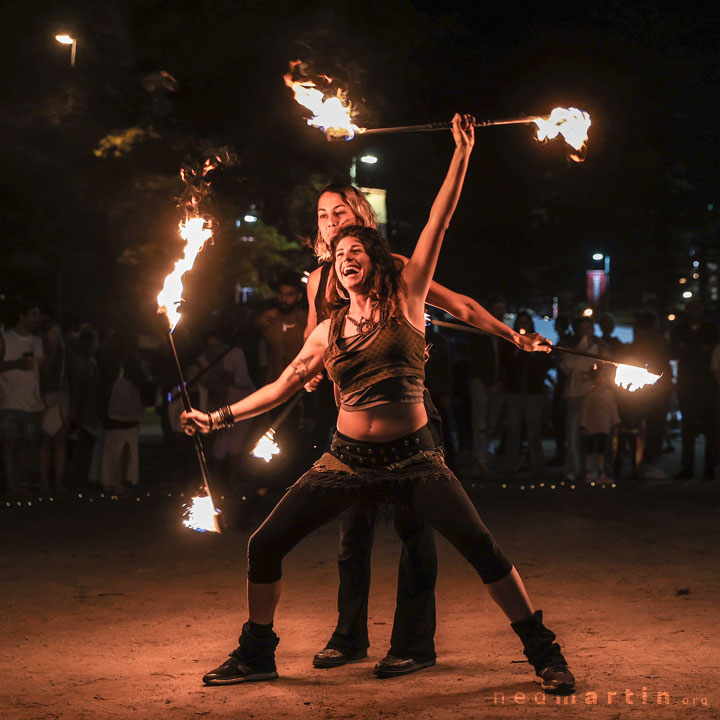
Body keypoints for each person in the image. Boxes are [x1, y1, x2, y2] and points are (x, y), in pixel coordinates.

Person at [182, 115, 574, 695]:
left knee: (482, 549)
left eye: (357, 247)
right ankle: (258, 652)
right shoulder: (328, 327)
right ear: (334, 269)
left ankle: (544, 653)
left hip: (414, 458)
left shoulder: (408, 297)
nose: (346, 254)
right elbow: (284, 383)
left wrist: (461, 154)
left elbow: (441, 224)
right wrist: (215, 418)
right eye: (338, 251)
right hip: (345, 461)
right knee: (264, 544)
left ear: (376, 256)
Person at [304, 179, 546, 678]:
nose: (332, 221)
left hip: (408, 417)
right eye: (324, 215)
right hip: (351, 428)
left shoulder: (392, 267)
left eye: (341, 211)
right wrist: (309, 371)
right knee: (353, 533)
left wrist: (511, 336)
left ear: (361, 217)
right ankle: (349, 636)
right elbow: (314, 339)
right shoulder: (318, 280)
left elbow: (460, 305)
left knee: (415, 530)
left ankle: (414, 644)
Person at [670, 298, 718, 480]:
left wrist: (688, 349)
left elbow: (710, 350)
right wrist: (697, 350)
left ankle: (709, 468)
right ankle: (687, 467)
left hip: (706, 384)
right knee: (688, 427)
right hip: (688, 383)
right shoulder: (680, 330)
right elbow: (674, 351)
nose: (695, 311)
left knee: (709, 427)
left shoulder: (710, 330)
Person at [0, 299, 44, 497]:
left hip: (32, 401)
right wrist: (16, 364)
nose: (37, 319)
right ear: (22, 315)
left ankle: (19, 483)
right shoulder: (5, 338)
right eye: (33, 314)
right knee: (10, 442)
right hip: (9, 400)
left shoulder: (37, 341)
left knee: (25, 444)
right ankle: (11, 486)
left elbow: (41, 369)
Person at [503, 311, 551, 476]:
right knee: (513, 430)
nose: (523, 325)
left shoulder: (538, 343)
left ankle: (537, 465)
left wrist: (532, 354)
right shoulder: (509, 342)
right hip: (515, 391)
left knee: (533, 430)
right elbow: (505, 365)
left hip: (533, 391)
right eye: (521, 322)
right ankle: (511, 464)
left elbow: (544, 365)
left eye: (526, 322)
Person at [579, 366, 620, 484]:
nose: (601, 379)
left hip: (604, 427)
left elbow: (613, 409)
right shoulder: (590, 394)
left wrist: (615, 423)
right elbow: (585, 410)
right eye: (599, 377)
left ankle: (601, 473)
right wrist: (583, 425)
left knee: (601, 451)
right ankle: (589, 473)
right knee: (590, 450)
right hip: (592, 427)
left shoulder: (609, 394)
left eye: (603, 376)